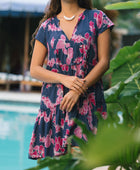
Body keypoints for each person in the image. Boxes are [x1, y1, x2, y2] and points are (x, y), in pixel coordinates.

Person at [28, 0, 114, 159]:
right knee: (58, 164)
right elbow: (34, 69)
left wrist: (77, 89)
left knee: (87, 160)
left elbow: (104, 63)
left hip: (88, 101)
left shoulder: (97, 18)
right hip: (55, 106)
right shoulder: (47, 26)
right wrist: (64, 79)